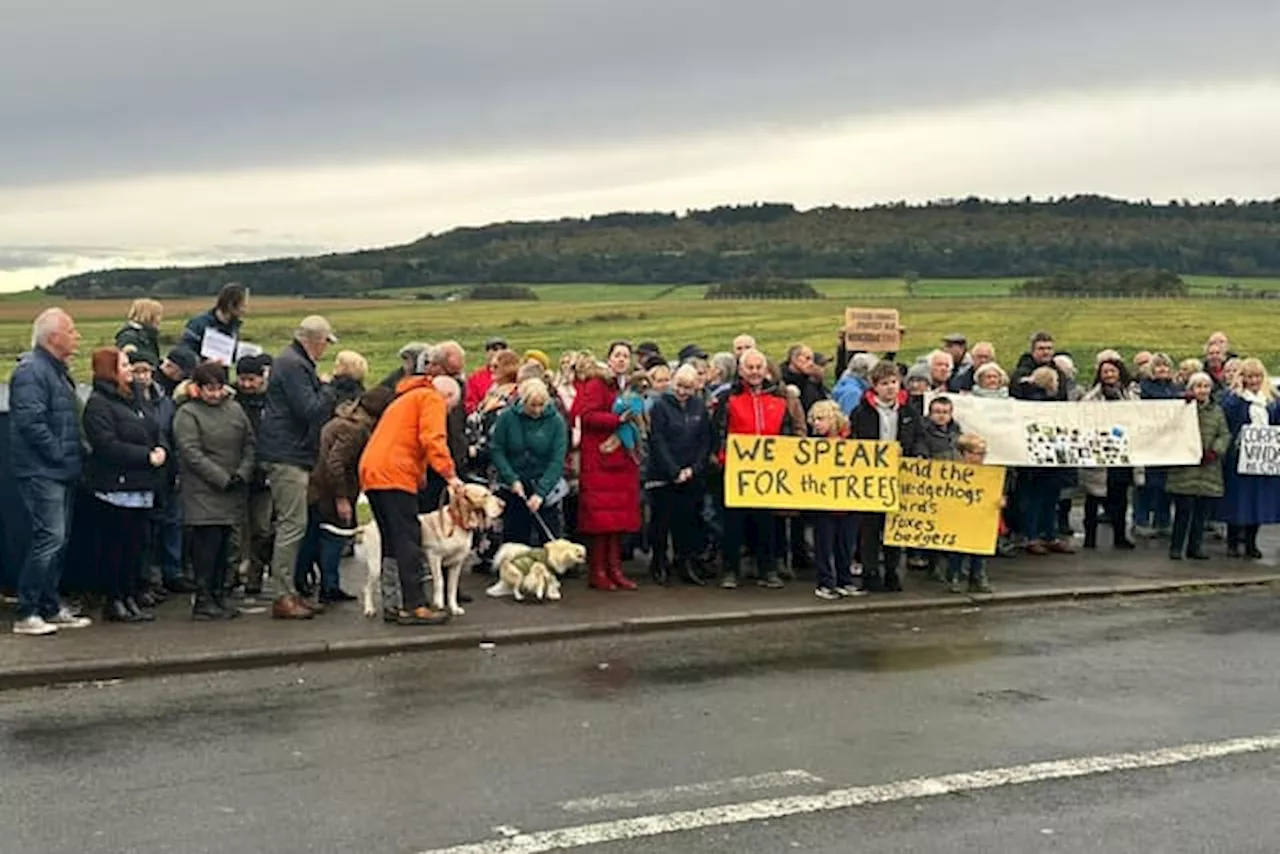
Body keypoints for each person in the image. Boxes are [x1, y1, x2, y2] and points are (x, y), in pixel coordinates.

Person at [359, 345, 463, 625]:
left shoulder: (405, 397)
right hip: (395, 473)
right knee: (408, 537)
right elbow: (433, 440)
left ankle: (391, 602)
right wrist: (450, 476)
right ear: (448, 396)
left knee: (391, 539)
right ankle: (414, 604)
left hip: (373, 472)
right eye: (450, 408)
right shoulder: (431, 400)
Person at [9, 308, 90, 635]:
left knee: (59, 539)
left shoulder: (57, 371)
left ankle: (50, 605)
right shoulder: (32, 371)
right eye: (71, 331)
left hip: (60, 469)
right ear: (53, 337)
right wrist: (59, 455)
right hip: (42, 471)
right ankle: (27, 612)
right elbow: (31, 423)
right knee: (49, 538)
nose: (77, 336)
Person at [257, 315, 339, 619]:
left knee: (293, 524)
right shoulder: (294, 365)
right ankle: (283, 595)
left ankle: (290, 591)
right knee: (293, 525)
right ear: (313, 341)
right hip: (287, 454)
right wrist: (328, 389)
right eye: (324, 343)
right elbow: (310, 410)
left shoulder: (292, 362)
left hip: (289, 451)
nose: (325, 350)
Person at [82, 347, 168, 623]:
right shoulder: (98, 404)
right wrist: (145, 456)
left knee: (136, 546)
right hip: (115, 488)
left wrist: (161, 449)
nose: (130, 368)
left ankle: (130, 595)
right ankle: (114, 599)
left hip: (142, 486)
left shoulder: (136, 398)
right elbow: (106, 445)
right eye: (124, 364)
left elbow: (155, 429)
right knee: (115, 547)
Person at [173, 362, 257, 619]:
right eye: (209, 388)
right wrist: (221, 477)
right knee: (206, 547)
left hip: (233, 488)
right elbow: (191, 452)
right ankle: (203, 598)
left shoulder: (235, 409)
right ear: (197, 388)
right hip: (203, 491)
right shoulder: (187, 413)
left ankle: (220, 594)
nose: (215, 393)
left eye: (219, 387)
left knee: (225, 548)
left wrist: (243, 471)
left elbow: (249, 442)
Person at [302, 386, 395, 603]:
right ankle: (330, 587)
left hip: (317, 488)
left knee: (314, 538)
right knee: (334, 538)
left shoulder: (341, 421)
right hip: (330, 491)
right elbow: (336, 463)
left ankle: (309, 583)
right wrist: (342, 498)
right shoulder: (356, 431)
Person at [712, 348, 794, 590]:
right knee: (733, 524)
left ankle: (767, 570)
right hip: (736, 470)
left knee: (766, 523)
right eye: (750, 367)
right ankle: (730, 570)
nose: (755, 372)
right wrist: (720, 457)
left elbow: (786, 431)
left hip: (768, 471)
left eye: (759, 367)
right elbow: (718, 430)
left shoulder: (779, 396)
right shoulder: (729, 397)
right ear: (740, 370)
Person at [573, 340, 643, 591]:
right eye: (617, 355)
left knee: (617, 521)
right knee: (600, 521)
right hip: (601, 459)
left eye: (626, 356)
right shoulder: (598, 383)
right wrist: (617, 419)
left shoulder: (628, 387)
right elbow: (586, 415)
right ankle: (598, 570)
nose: (622, 360)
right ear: (609, 359)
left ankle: (615, 568)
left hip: (622, 459)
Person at [850, 360, 925, 593]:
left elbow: (919, 437)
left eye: (893, 382)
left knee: (894, 528)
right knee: (870, 528)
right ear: (875, 386)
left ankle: (893, 572)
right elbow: (855, 442)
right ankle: (870, 572)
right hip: (871, 476)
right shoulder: (862, 412)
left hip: (899, 475)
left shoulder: (908, 411)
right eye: (884, 384)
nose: (890, 388)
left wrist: (917, 453)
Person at [646, 364, 713, 586]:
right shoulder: (660, 406)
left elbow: (705, 439)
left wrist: (694, 468)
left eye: (688, 388)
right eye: (679, 387)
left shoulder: (699, 407)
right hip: (664, 473)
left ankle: (685, 562)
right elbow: (658, 440)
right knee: (661, 521)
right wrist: (673, 470)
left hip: (691, 471)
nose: (683, 392)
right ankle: (659, 562)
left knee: (687, 522)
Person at [490, 378, 569, 548]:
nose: (537, 410)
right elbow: (497, 450)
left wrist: (540, 493)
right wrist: (511, 479)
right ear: (522, 401)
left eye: (541, 405)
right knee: (515, 538)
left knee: (548, 539)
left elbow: (557, 460)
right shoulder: (506, 418)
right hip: (515, 485)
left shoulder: (556, 422)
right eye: (532, 405)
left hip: (545, 485)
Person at [1219, 358, 1280, 559]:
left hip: (1263, 460)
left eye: (1257, 376)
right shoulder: (1233, 399)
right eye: (1250, 376)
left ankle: (1252, 542)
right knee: (1237, 500)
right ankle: (1233, 541)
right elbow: (1226, 421)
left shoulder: (1271, 400)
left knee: (1258, 501)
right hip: (1238, 458)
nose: (1254, 380)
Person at [1167, 373, 1230, 561]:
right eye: (1198, 386)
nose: (1202, 390)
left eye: (1206, 386)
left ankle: (1195, 547)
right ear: (1191, 388)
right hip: (1185, 469)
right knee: (1183, 511)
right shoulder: (1182, 408)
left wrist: (1216, 451)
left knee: (1201, 514)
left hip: (1208, 469)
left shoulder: (1217, 411)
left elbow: (1224, 434)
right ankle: (1176, 547)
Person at [1080, 357, 1137, 551]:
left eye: (1113, 371)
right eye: (1105, 372)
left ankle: (1120, 536)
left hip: (1122, 455)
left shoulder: (1130, 397)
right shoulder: (1090, 399)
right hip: (1099, 455)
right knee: (1093, 498)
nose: (1109, 375)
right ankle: (1090, 537)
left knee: (1120, 497)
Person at [806, 400, 861, 600]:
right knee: (824, 545)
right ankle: (825, 582)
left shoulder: (853, 441)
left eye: (820, 419)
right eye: (813, 420)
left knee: (845, 544)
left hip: (849, 502)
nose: (816, 424)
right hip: (824, 504)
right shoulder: (810, 446)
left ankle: (845, 580)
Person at [229, 353, 273, 594]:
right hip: (237, 473)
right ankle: (232, 573)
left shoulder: (273, 402)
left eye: (251, 379)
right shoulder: (231, 402)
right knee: (235, 530)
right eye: (243, 379)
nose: (246, 385)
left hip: (263, 477)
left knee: (262, 529)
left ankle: (255, 574)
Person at [947, 434, 994, 593]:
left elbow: (997, 493)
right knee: (958, 550)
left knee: (979, 549)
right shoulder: (953, 472)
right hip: (959, 518)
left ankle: (978, 576)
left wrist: (1001, 500)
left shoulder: (990, 473)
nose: (978, 457)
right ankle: (956, 577)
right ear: (964, 453)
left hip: (980, 518)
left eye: (982, 454)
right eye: (974, 453)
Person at [180, 282, 247, 356]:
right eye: (242, 306)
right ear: (230, 305)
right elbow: (184, 352)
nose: (244, 310)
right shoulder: (198, 324)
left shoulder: (233, 328)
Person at [465, 336, 510, 414]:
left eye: (503, 349)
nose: (499, 352)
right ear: (487, 354)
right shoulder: (476, 378)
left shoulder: (514, 375)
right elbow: (470, 404)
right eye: (495, 349)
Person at [114, 298, 164, 366]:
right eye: (158, 315)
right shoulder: (128, 336)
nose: (160, 319)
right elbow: (129, 358)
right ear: (148, 315)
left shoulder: (147, 335)